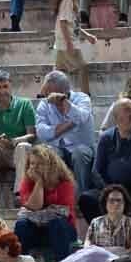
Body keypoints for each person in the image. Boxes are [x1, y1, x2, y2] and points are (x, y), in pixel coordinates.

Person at [35, 71, 96, 204]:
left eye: (49, 92)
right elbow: (41, 132)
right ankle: (54, 199)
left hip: (82, 147)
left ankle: (82, 199)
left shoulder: (82, 99)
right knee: (49, 153)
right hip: (58, 148)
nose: (46, 96)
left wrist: (64, 103)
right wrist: (67, 125)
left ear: (63, 92)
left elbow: (81, 117)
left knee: (79, 154)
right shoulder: (44, 104)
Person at [15, 144, 79, 262]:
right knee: (21, 224)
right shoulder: (27, 182)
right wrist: (39, 183)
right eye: (32, 163)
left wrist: (35, 214)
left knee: (56, 223)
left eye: (40, 164)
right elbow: (34, 206)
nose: (35, 168)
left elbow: (62, 213)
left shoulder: (64, 183)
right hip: (38, 231)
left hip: (62, 230)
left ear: (50, 165)